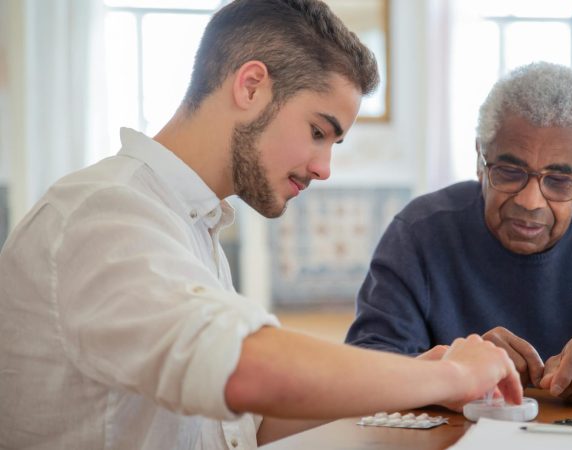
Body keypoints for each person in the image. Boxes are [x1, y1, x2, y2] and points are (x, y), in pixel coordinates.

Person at [0, 1, 522, 448]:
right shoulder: (102, 212)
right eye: (319, 131)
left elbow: (246, 421)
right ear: (251, 86)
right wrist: (453, 373)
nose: (324, 168)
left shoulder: (189, 223)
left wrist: (424, 379)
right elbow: (246, 369)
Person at [346, 61, 572, 406]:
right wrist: (457, 368)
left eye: (559, 181)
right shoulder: (419, 231)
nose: (530, 201)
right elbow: (368, 367)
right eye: (509, 172)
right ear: (480, 159)